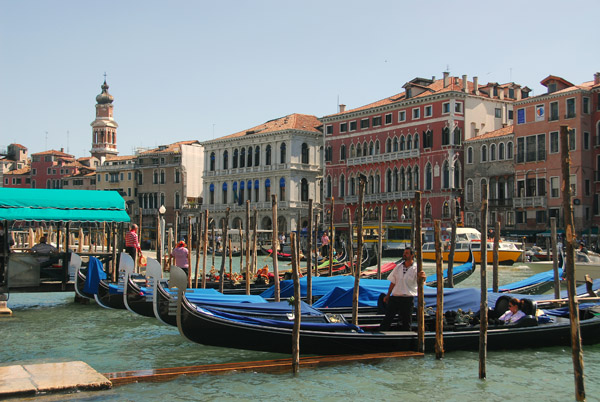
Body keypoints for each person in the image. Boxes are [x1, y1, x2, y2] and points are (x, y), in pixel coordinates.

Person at [379, 247, 427, 331]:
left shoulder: (417, 269)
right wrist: (388, 295)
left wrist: (424, 278)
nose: (404, 254)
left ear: (412, 255)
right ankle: (380, 334)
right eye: (404, 252)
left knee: (406, 321)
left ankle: (407, 339)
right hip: (395, 297)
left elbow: (421, 283)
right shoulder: (398, 267)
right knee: (387, 318)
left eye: (407, 253)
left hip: (407, 298)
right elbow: (393, 282)